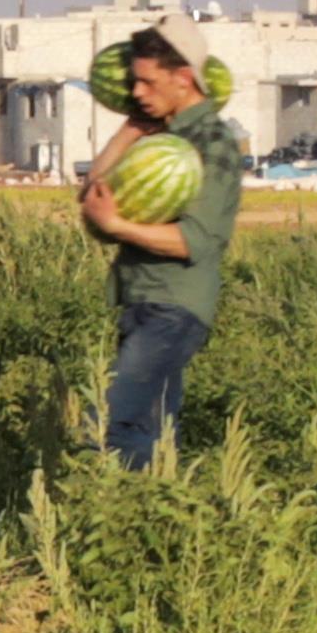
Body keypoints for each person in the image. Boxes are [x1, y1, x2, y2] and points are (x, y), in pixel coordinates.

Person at [75, 28, 234, 468]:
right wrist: (130, 131)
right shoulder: (160, 136)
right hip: (143, 300)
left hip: (174, 308)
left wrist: (117, 225)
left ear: (183, 78)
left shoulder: (209, 145)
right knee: (153, 426)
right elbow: (93, 195)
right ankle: (160, 519)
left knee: (111, 421)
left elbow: (193, 241)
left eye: (146, 82)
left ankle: (111, 509)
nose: (136, 92)